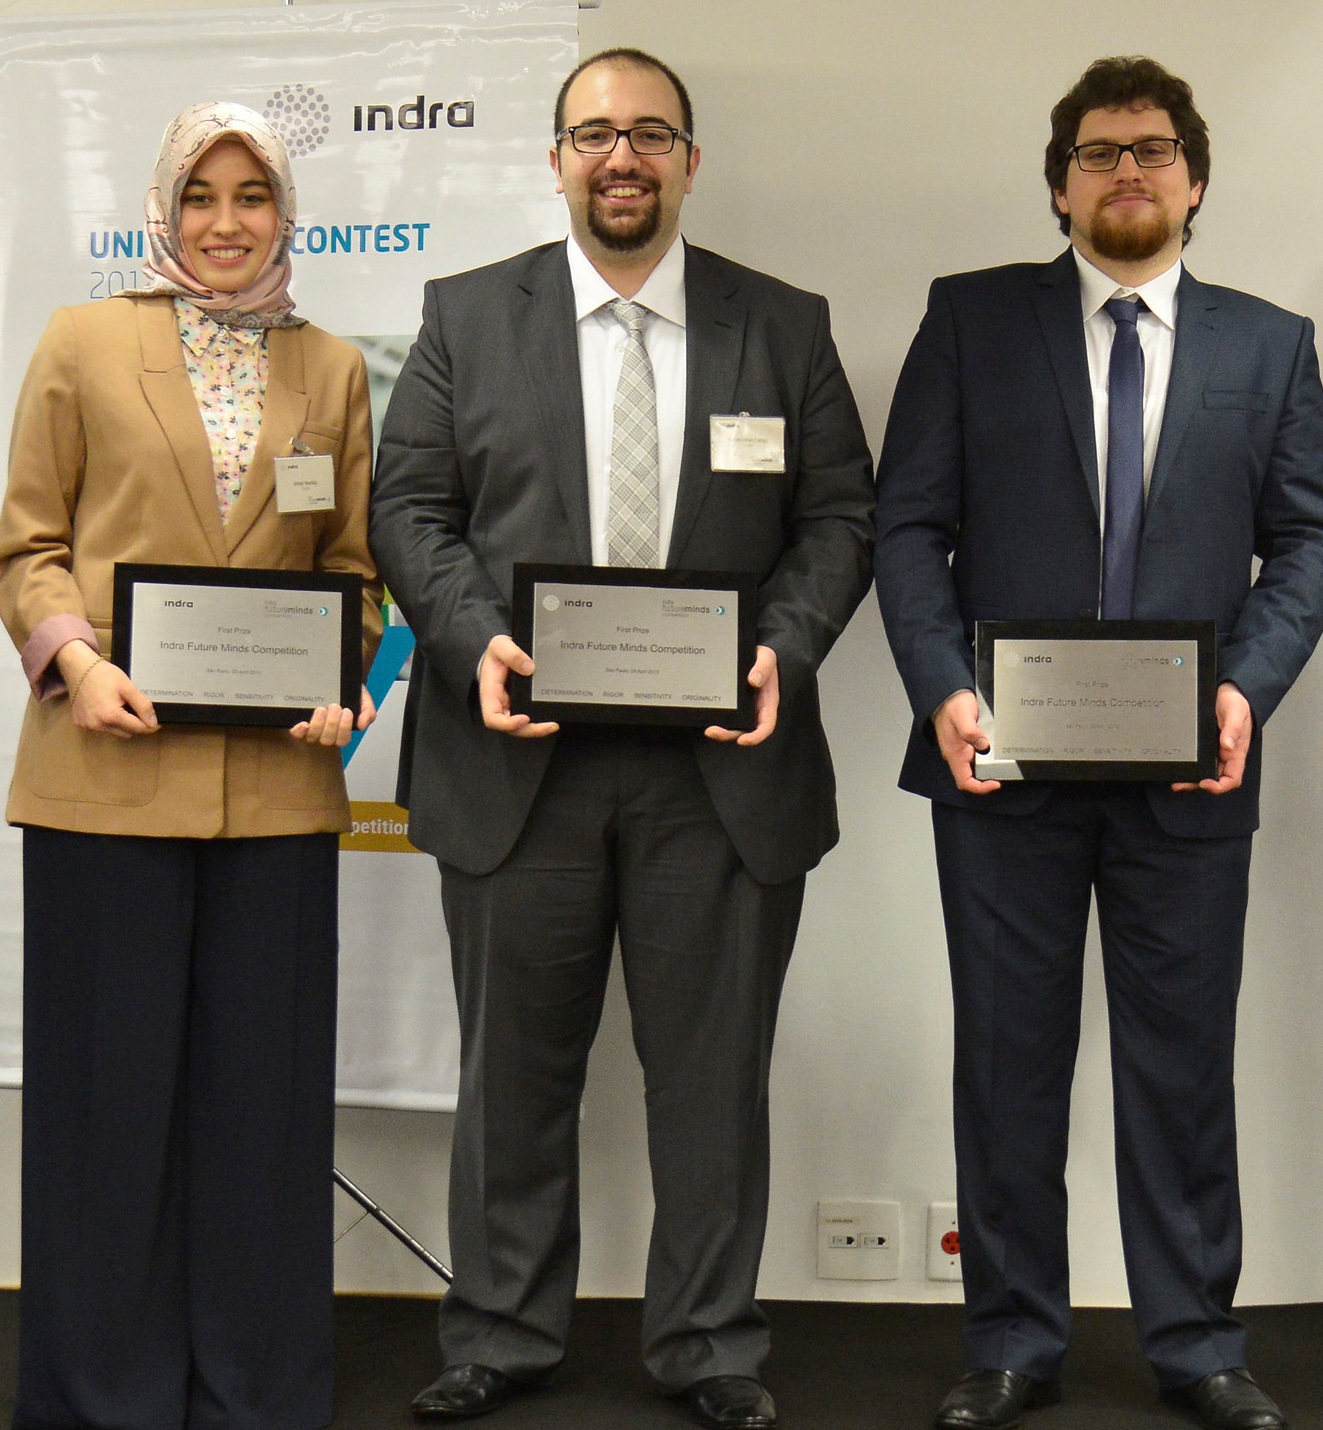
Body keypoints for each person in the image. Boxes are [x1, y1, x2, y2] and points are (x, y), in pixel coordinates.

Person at [370, 46, 873, 1430]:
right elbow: (409, 509)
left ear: (690, 161)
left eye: (651, 133)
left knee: (711, 1080)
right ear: (556, 160)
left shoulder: (784, 325)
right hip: (516, 754)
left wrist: (782, 648)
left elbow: (841, 517)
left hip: (720, 767)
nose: (623, 157)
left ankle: (710, 1343)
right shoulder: (469, 316)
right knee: (512, 1074)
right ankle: (501, 1331)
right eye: (595, 134)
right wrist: (477, 639)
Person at [874, 55, 1323, 1430]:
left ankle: (1198, 1345)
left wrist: (1246, 687)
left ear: (1196, 181)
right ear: (1059, 185)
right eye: (1098, 152)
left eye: (1153, 150)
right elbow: (909, 526)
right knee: (1008, 1064)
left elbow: (1306, 540)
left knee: (1180, 1070)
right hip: (999, 765)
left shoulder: (1271, 345)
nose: (1127, 171)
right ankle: (1012, 1341)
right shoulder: (972, 320)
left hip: (1193, 772)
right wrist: (942, 685)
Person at [0, 101, 382, 1430]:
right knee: (105, 1108)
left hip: (276, 795)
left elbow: (355, 576)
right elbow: (28, 546)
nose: (227, 223)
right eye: (202, 197)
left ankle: (256, 1390)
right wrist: (75, 660)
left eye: (252, 196)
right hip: (103, 779)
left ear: (286, 213)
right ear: (164, 208)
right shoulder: (81, 340)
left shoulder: (334, 368)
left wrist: (344, 681)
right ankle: (101, 1392)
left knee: (262, 1112)